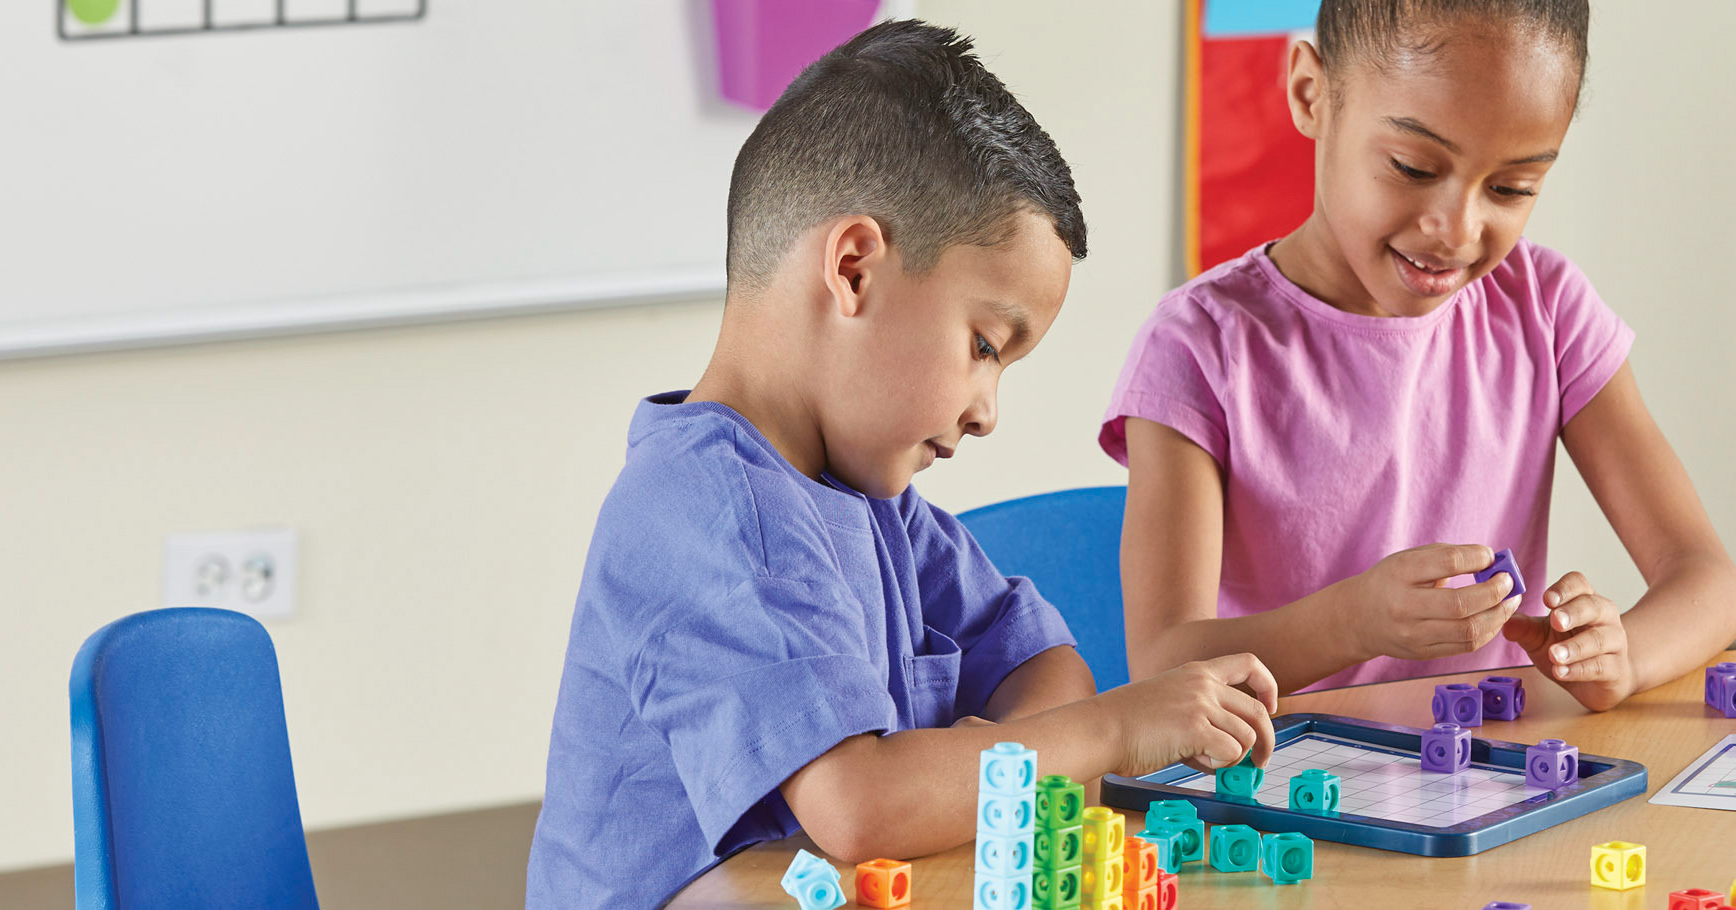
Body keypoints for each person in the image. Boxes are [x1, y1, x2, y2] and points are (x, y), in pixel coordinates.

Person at [528, 20, 1278, 908]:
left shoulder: (873, 502)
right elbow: (860, 807)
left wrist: (965, 770)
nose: (987, 411)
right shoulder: (709, 507)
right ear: (853, 270)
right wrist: (1117, 728)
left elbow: (1047, 670)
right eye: (985, 346)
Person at [1103, 0, 1736, 704]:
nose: (1455, 229)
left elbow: (1708, 582)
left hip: (1491, 785)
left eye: (1511, 188)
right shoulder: (1198, 346)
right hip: (1283, 792)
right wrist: (1356, 621)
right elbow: (1163, 664)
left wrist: (1623, 655)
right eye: (1412, 167)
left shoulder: (1548, 310)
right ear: (1311, 95)